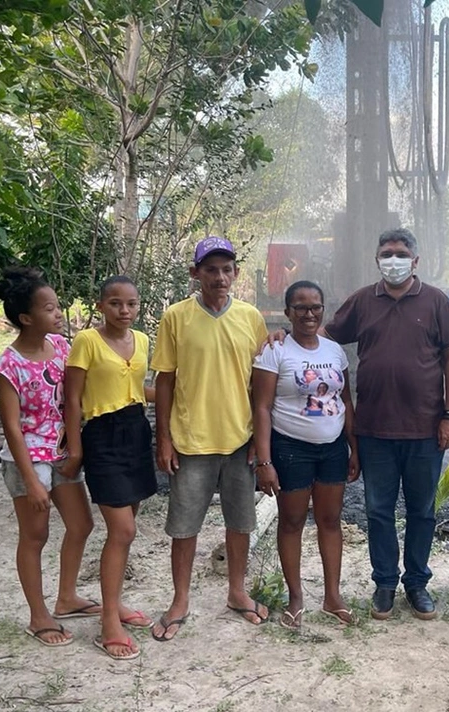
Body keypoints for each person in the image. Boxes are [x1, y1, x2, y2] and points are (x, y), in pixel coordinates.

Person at [325, 228, 449, 620]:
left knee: (422, 511)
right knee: (378, 511)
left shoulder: (436, 302)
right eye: (386, 253)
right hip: (374, 430)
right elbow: (326, 336)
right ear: (377, 259)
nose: (394, 260)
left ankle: (417, 583)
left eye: (401, 253)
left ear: (415, 261)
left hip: (425, 429)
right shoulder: (362, 302)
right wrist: (286, 339)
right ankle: (385, 583)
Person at [150, 236, 270, 641]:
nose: (220, 277)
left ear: (236, 272)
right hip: (191, 441)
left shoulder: (251, 318)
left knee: (240, 523)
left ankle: (237, 592)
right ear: (195, 273)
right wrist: (163, 438)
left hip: (239, 440)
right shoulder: (176, 317)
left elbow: (260, 384)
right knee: (184, 527)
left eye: (227, 269)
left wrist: (258, 438)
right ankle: (180, 600)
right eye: (211, 269)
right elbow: (164, 380)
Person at [0, 267, 98, 648]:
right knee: (35, 536)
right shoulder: (9, 365)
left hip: (62, 452)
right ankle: (39, 616)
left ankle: (67, 597)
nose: (58, 313)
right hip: (27, 460)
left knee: (82, 524)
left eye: (57, 306)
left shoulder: (62, 348)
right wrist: (32, 480)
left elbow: (73, 397)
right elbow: (12, 427)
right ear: (25, 317)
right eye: (50, 308)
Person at [252, 280, 359, 630]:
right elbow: (263, 408)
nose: (309, 313)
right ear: (288, 313)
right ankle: (296, 596)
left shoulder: (334, 352)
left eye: (315, 307)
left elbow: (345, 401)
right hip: (290, 448)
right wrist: (265, 462)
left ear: (323, 310)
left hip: (332, 449)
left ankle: (332, 596)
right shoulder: (276, 352)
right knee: (292, 522)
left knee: (330, 521)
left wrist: (353, 448)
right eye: (300, 307)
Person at [64, 275, 158, 660]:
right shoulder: (86, 341)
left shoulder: (143, 342)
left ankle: (112, 603)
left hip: (136, 431)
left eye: (132, 304)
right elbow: (72, 399)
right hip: (101, 435)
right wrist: (74, 448)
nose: (125, 311)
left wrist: (182, 389)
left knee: (124, 532)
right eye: (116, 303)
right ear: (100, 305)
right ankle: (108, 627)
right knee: (123, 529)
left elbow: (137, 388)